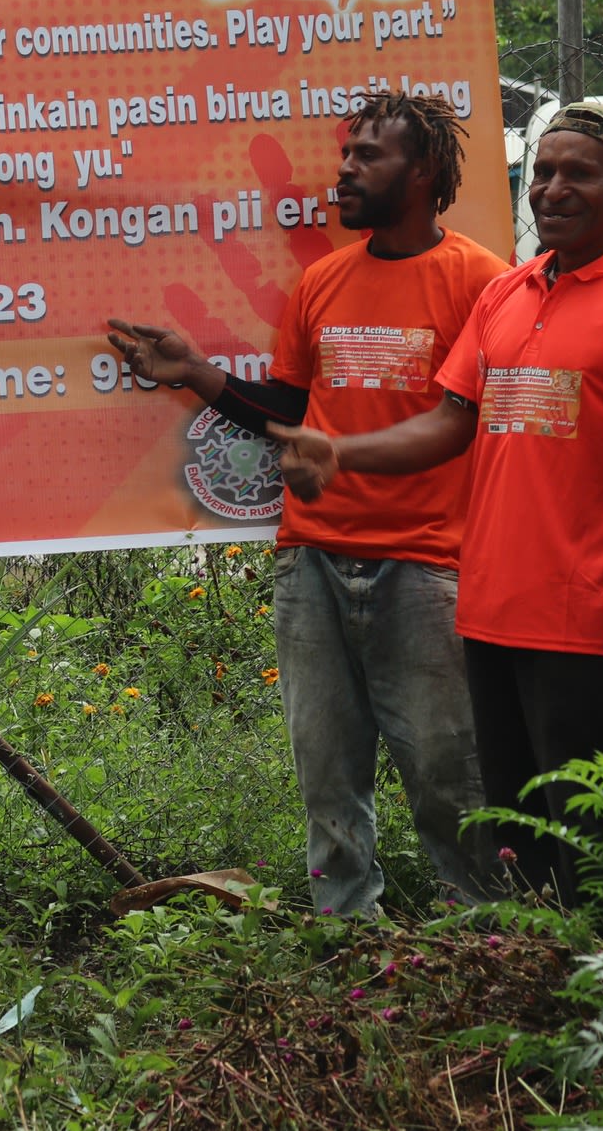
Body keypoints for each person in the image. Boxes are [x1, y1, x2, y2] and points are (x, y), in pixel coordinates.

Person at [108, 92, 509, 916]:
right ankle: (346, 943)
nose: (347, 168)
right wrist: (195, 374)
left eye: (369, 154)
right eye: (347, 152)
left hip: (428, 566)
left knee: (448, 778)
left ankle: (484, 942)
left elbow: (481, 424)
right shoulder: (322, 281)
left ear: (424, 170)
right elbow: (288, 411)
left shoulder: (483, 284)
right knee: (327, 783)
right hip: (311, 562)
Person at [268, 103, 603, 901]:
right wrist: (338, 452)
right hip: (488, 609)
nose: (551, 190)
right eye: (541, 173)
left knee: (576, 821)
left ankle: (594, 976)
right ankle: (501, 965)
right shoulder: (507, 294)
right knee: (511, 821)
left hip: (586, 617)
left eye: (576, 174)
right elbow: (451, 421)